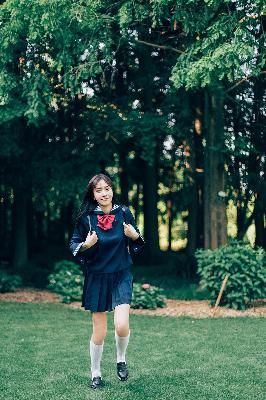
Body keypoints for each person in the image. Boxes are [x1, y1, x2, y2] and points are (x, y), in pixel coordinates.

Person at [69, 173, 145, 390]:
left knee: (121, 325)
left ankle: (121, 359)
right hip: (97, 277)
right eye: (99, 190)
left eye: (107, 188)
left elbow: (138, 239)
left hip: (121, 274)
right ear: (93, 194)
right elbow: (74, 244)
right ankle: (96, 372)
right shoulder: (86, 218)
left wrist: (133, 236)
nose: (104, 193)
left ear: (112, 189)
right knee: (99, 332)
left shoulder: (124, 212)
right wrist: (86, 244)